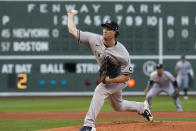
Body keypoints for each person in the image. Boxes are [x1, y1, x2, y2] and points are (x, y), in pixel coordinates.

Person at [67, 10, 153, 131]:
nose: (105, 30)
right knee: (118, 106)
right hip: (109, 77)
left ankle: (89, 125)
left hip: (120, 79)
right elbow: (73, 31)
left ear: (115, 32)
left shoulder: (122, 53)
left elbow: (126, 77)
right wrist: (70, 16)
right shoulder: (94, 39)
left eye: (108, 28)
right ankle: (142, 108)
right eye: (104, 27)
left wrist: (109, 80)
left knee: (100, 90)